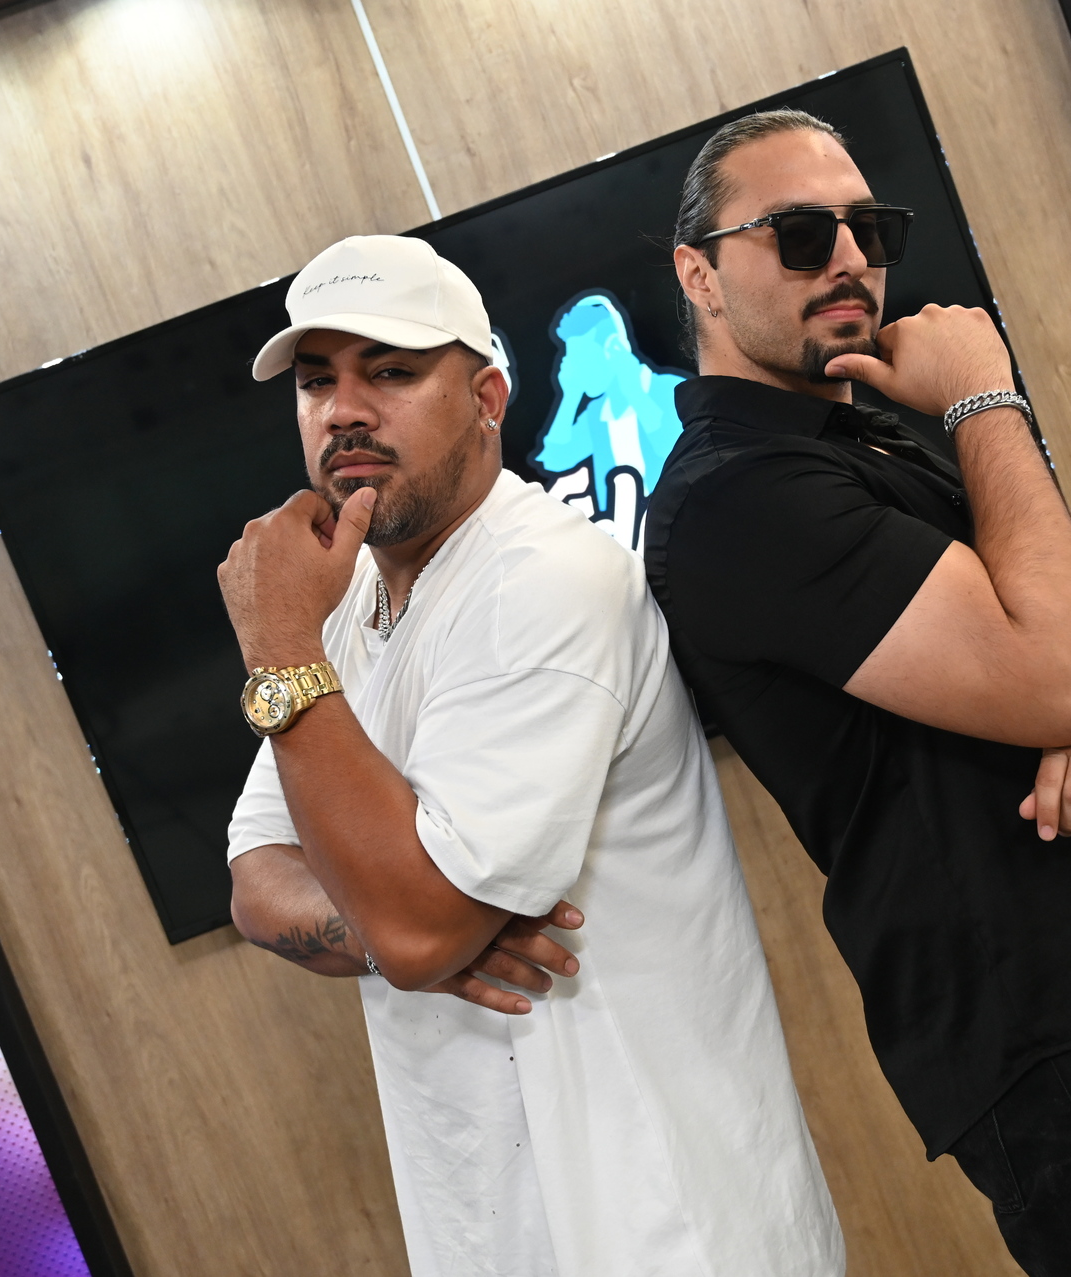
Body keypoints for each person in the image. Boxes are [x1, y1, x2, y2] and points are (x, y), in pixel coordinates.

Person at [644, 110, 1071, 1276]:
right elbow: (1058, 672)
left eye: (869, 228)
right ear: (699, 274)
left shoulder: (860, 439)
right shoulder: (737, 496)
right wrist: (984, 396)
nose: (851, 258)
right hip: (1044, 1022)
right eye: (800, 233)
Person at [216, 234, 841, 1277]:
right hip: (497, 1219)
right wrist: (402, 926)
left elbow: (419, 927)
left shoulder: (542, 581)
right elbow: (255, 879)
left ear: (489, 398)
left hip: (658, 1226)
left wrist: (279, 646)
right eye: (317, 381)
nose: (343, 410)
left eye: (392, 371)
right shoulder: (343, 604)